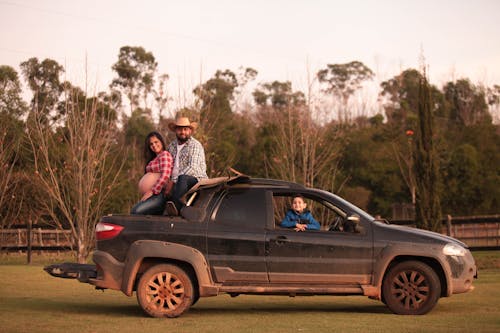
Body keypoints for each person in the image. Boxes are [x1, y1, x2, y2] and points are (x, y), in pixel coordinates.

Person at [165, 116, 208, 215]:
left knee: (183, 178)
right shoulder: (171, 146)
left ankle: (175, 208)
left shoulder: (195, 145)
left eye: (185, 129)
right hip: (175, 183)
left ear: (190, 131)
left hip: (195, 180)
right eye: (180, 129)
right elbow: (167, 166)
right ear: (175, 130)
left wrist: (173, 181)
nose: (183, 132)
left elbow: (192, 168)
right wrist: (166, 181)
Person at [131, 131, 173, 215]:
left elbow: (165, 176)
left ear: (161, 141)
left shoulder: (164, 154)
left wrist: (152, 191)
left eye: (156, 142)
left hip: (159, 194)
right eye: (151, 144)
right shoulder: (154, 159)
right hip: (153, 195)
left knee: (136, 211)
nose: (154, 145)